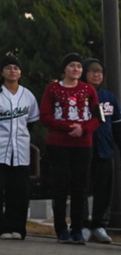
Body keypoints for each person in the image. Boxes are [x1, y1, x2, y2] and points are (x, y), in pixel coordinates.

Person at [39, 52, 99, 245]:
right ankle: (61, 229)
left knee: (79, 188)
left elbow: (98, 117)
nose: (76, 69)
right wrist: (68, 128)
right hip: (58, 145)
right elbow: (45, 116)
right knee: (60, 187)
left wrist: (84, 129)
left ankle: (77, 229)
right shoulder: (53, 89)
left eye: (79, 66)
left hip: (83, 145)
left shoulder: (89, 90)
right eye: (72, 66)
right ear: (64, 68)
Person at [0, 55, 39, 240]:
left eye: (16, 67)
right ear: (2, 72)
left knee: (20, 191)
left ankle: (18, 227)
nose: (12, 70)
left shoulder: (27, 95)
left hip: (20, 151)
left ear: (20, 72)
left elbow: (31, 123)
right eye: (8, 67)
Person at [81, 58, 121, 244]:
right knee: (80, 189)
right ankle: (81, 225)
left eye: (100, 71)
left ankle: (99, 225)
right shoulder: (78, 94)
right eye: (92, 71)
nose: (96, 74)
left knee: (104, 191)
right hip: (81, 151)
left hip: (105, 152)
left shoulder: (109, 97)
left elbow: (117, 125)